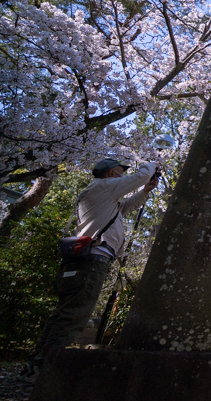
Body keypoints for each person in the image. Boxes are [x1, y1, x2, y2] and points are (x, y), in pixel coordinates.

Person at [22, 157, 158, 379]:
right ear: (111, 173)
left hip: (83, 260)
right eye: (119, 173)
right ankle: (47, 371)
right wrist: (154, 162)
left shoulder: (102, 197)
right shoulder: (101, 187)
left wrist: (145, 191)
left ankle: (36, 363)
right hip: (93, 260)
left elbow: (124, 209)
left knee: (64, 312)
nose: (122, 176)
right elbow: (140, 176)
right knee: (76, 313)